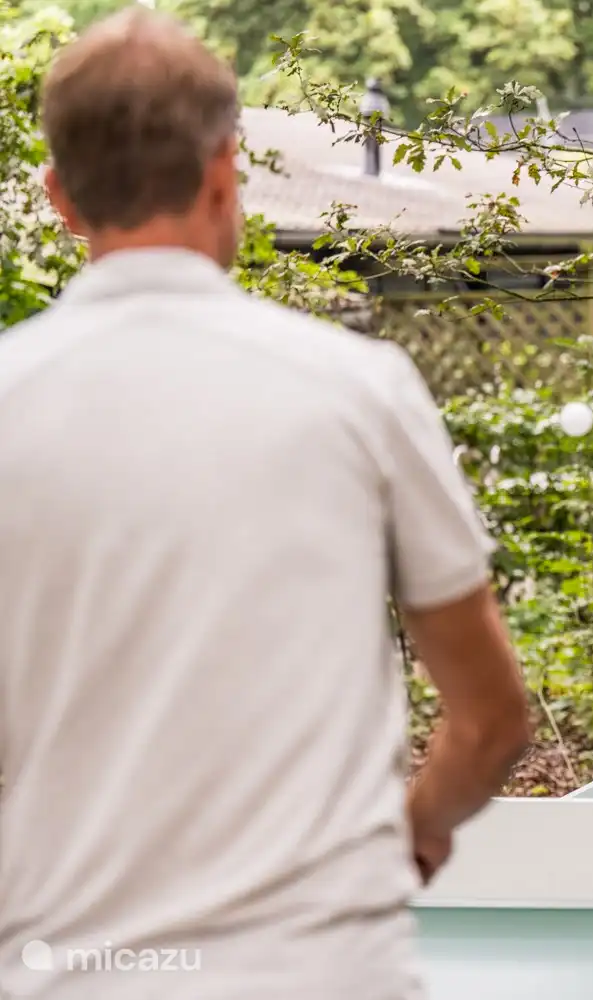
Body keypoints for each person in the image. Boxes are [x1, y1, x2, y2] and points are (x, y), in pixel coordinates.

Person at [0, 9, 530, 1000]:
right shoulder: (361, 389)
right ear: (223, 171)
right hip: (327, 970)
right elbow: (491, 719)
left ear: (59, 196)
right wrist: (410, 831)